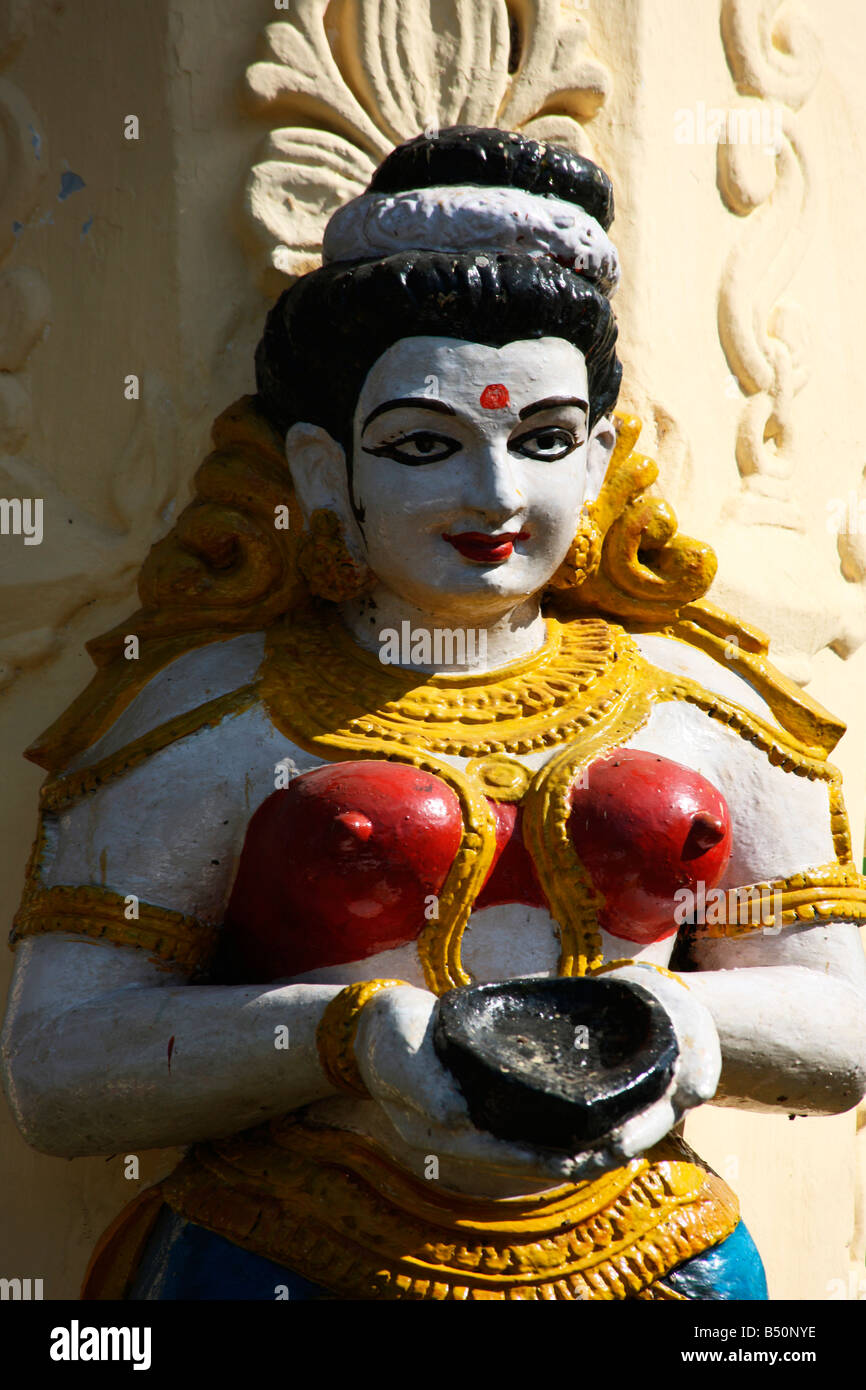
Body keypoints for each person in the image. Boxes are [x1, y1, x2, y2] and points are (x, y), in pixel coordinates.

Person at [4, 127, 866, 1301]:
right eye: (422, 446)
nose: (496, 496)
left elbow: (839, 1026)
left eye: (544, 440)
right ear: (322, 472)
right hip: (293, 1249)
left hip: (659, 1257)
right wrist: (349, 1038)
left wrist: (668, 1021)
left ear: (602, 455)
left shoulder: (703, 707)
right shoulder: (208, 715)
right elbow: (56, 1070)